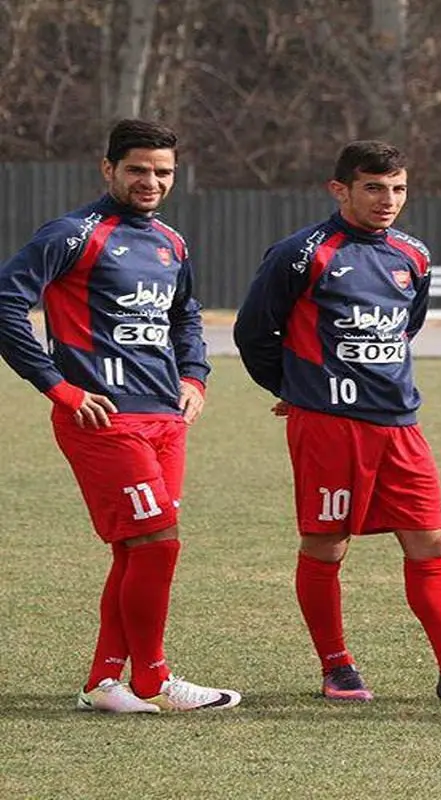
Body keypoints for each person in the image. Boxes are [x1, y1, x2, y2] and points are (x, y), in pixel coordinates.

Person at [234, 140, 441, 703]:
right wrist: (295, 389)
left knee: (431, 541)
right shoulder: (302, 253)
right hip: (329, 426)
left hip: (400, 423)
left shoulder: (413, 255)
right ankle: (337, 667)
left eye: (398, 188)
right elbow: (254, 333)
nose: (388, 200)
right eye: (374, 187)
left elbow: (406, 327)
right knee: (326, 543)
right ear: (340, 190)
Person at [0, 119, 241, 713]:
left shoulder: (171, 243)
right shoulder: (72, 234)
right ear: (108, 169)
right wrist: (58, 386)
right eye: (137, 169)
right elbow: (5, 303)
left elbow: (185, 315)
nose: (150, 181)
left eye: (163, 171)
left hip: (165, 418)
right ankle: (153, 679)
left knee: (137, 548)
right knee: (158, 541)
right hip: (103, 420)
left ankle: (104, 682)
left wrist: (194, 376)